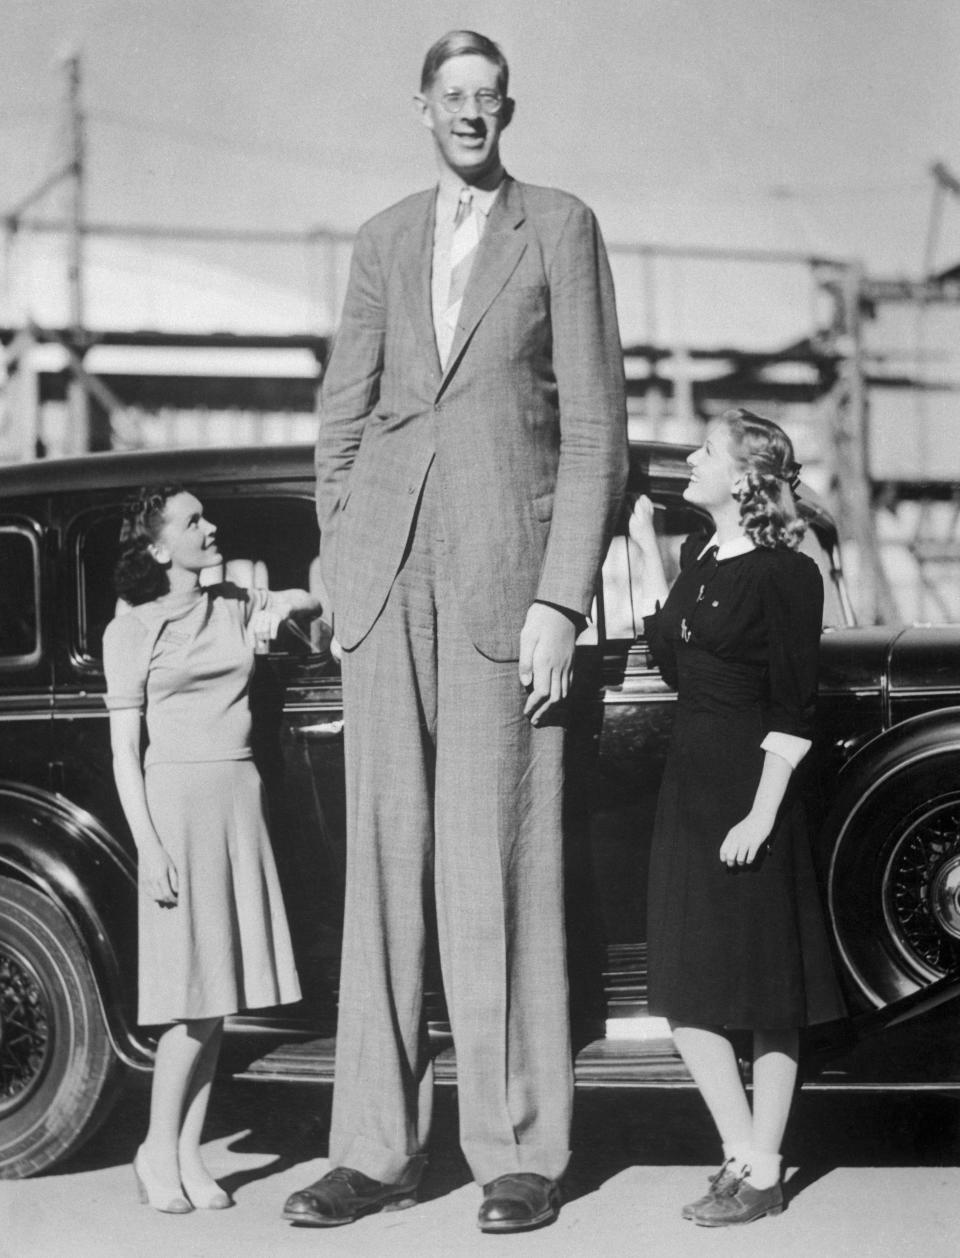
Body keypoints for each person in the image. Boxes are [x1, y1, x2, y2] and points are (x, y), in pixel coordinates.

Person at [282, 29, 627, 1234]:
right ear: (422, 109)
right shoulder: (383, 239)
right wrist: (340, 557)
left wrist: (559, 598)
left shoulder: (562, 227)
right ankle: (375, 1150)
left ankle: (518, 1149)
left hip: (505, 591)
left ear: (508, 110)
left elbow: (595, 435)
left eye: (489, 98)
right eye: (452, 97)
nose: (471, 114)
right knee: (381, 871)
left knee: (499, 867)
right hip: (383, 590)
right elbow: (341, 420)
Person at [629, 409, 845, 1227]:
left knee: (765, 993)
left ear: (745, 476)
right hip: (689, 790)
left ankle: (762, 1170)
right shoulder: (700, 557)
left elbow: (795, 704)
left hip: (752, 795)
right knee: (686, 995)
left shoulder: (788, 574)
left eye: (704, 451)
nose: (689, 458)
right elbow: (675, 664)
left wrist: (761, 813)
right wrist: (649, 551)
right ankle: (746, 1156)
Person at [103, 485, 322, 1215]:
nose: (210, 526)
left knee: (218, 995)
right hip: (177, 807)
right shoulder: (129, 630)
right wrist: (149, 844)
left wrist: (286, 605)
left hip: (238, 798)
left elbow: (303, 599)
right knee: (189, 1001)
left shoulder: (232, 601)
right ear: (160, 547)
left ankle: (189, 1152)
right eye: (192, 521)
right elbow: (124, 753)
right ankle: (155, 1148)